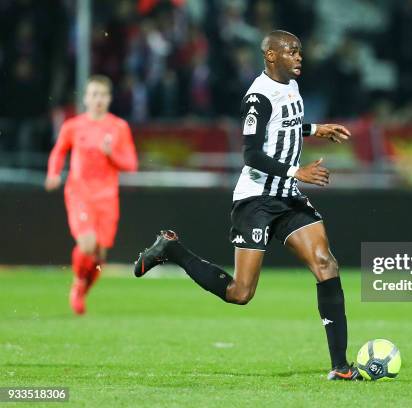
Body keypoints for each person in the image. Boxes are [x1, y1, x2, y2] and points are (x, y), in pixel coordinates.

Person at [134, 30, 358, 380]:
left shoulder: (291, 86)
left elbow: (286, 126)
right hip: (256, 198)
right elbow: (252, 155)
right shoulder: (257, 97)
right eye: (291, 52)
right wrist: (296, 171)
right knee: (240, 293)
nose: (299, 57)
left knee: (326, 264)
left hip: (287, 195)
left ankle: (341, 368)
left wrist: (315, 129)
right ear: (271, 55)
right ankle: (173, 250)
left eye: (300, 51)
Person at [46, 75, 138, 315]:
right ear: (86, 98)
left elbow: (131, 163)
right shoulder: (73, 126)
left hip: (107, 197)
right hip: (80, 192)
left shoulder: (119, 127)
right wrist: (53, 173)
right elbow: (58, 152)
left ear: (109, 98)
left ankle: (83, 290)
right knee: (87, 244)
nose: (98, 99)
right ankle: (78, 283)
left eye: (103, 95)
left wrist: (111, 154)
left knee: (99, 257)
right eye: (94, 94)